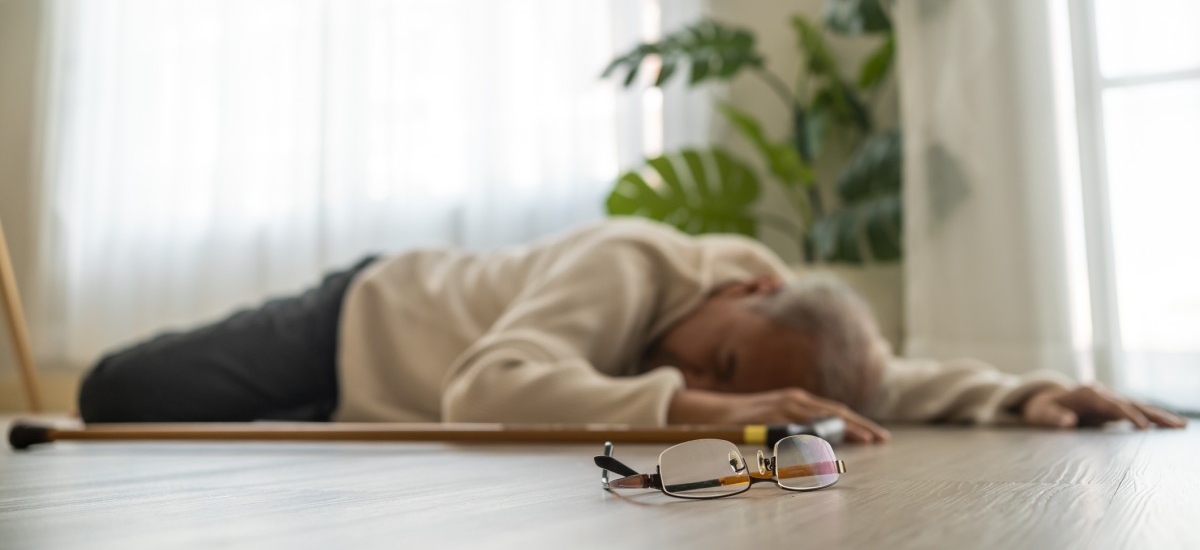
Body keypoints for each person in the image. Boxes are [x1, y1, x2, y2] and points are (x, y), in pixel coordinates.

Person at [77, 218, 1186, 442]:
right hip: (357, 325)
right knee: (114, 400)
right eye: (724, 361)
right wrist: (715, 406)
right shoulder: (637, 261)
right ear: (746, 285)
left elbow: (878, 383)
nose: (683, 369)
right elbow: (487, 389)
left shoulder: (778, 325)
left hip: (370, 406)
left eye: (712, 378)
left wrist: (1022, 394)